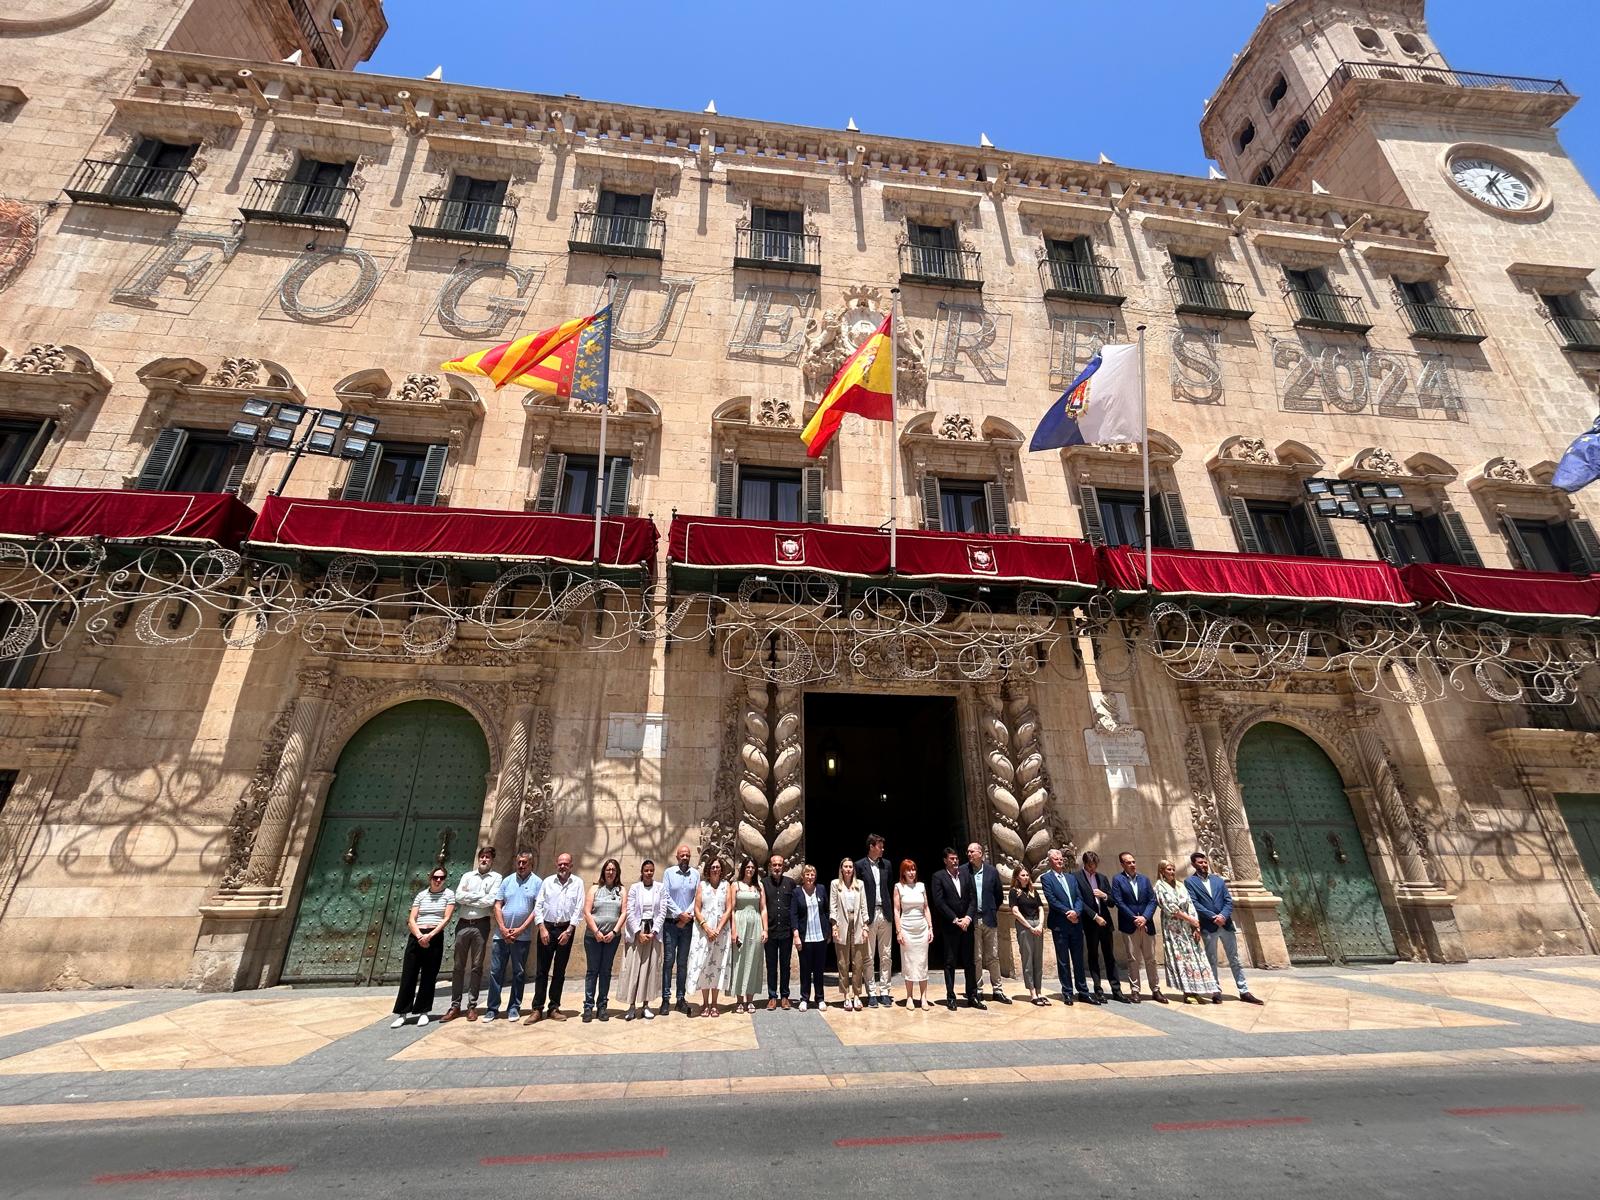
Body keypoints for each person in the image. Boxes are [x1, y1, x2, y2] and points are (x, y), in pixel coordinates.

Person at [1186, 852, 1265, 1005]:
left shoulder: (1218, 880)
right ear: (1193, 864)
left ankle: (1244, 990)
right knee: (1212, 959)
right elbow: (1194, 903)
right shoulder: (1190, 882)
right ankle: (1215, 990)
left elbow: (1228, 900)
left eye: (1205, 862)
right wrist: (1213, 917)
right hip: (1209, 926)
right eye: (1200, 862)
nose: (1203, 865)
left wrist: (1222, 915)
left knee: (1234, 959)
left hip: (1226, 924)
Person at [391, 867, 455, 1028]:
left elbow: (446, 918)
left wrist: (430, 935)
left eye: (441, 878)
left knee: (429, 975)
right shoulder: (421, 895)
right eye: (435, 877)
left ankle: (423, 1012)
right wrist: (419, 935)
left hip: (434, 936)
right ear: (430, 878)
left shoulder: (449, 895)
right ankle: (402, 1013)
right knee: (409, 975)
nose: (438, 880)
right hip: (417, 936)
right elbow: (412, 918)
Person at [442, 846, 501, 1023]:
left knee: (476, 966)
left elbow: (490, 901)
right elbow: (459, 896)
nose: (484, 860)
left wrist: (471, 897)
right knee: (458, 965)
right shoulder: (467, 876)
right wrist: (479, 897)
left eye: (487, 857)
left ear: (492, 860)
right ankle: (455, 1005)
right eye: (482, 857)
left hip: (481, 925)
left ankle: (472, 1005)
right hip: (463, 924)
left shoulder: (496, 878)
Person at [526, 851, 584, 1023]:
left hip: (565, 930)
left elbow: (578, 908)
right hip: (547, 928)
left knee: (559, 970)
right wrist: (541, 928)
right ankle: (537, 1008)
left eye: (566, 863)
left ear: (571, 865)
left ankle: (554, 1007)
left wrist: (569, 930)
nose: (562, 866)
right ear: (556, 864)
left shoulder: (578, 883)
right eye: (560, 863)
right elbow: (539, 905)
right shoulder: (548, 882)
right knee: (542, 970)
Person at [484, 851, 540, 1022]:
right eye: (519, 862)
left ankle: (514, 1007)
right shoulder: (507, 880)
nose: (521, 865)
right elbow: (498, 904)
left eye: (524, 863)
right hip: (501, 935)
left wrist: (520, 929)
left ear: (531, 864)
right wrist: (502, 927)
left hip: (521, 937)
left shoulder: (537, 882)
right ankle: (492, 1008)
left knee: (519, 973)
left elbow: (537, 908)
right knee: (495, 972)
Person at [1155, 858, 1218, 1004]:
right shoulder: (1160, 886)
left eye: (1172, 869)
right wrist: (1191, 920)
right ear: (1162, 871)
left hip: (1188, 927)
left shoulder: (1180, 885)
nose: (1171, 872)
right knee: (1181, 960)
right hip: (1174, 929)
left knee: (1195, 959)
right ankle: (1187, 991)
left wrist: (1195, 926)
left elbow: (1190, 904)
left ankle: (1196, 990)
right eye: (1168, 869)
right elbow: (1171, 908)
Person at [929, 847, 983, 1011]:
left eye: (956, 858)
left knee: (970, 962)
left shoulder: (967, 875)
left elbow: (973, 898)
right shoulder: (938, 877)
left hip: (967, 925)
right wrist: (954, 919)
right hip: (951, 926)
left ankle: (972, 995)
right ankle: (951, 996)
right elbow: (939, 901)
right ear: (945, 860)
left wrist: (967, 918)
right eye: (951, 859)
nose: (955, 861)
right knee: (950, 962)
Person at [1110, 851, 1167, 1004]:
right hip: (1130, 925)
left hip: (1146, 924)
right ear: (1122, 864)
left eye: (1133, 862)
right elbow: (1119, 901)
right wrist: (1134, 918)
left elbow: (1152, 900)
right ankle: (1135, 990)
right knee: (1133, 959)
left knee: (1151, 959)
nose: (1132, 865)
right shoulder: (1118, 880)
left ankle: (1155, 989)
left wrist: (1145, 917)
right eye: (1128, 862)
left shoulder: (1144, 880)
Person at [1039, 848, 1090, 1005]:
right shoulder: (1046, 878)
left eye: (1061, 858)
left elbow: (1079, 898)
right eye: (1056, 859)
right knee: (1063, 961)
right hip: (1060, 924)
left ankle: (1083, 991)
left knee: (1078, 959)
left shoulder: (1071, 878)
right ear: (1050, 861)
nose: (1060, 861)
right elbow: (1051, 899)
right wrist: (1068, 912)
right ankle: (1067, 991)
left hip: (1076, 924)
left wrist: (1076, 911)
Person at [621, 860, 667, 1020]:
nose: (649, 873)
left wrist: (654, 932)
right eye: (646, 870)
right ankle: (632, 1005)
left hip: (653, 931)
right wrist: (638, 932)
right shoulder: (635, 888)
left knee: (649, 969)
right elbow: (630, 910)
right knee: (635, 968)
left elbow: (662, 911)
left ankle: (646, 1004)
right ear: (642, 871)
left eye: (651, 870)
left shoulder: (660, 888)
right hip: (637, 932)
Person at [964, 842, 1010, 1004]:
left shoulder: (991, 871)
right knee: (976, 956)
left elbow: (998, 895)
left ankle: (997, 989)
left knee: (993, 956)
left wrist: (990, 909)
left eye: (972, 851)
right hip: (973, 919)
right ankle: (978, 989)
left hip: (989, 918)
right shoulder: (964, 871)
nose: (969, 854)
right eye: (968, 852)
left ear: (980, 853)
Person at [687, 857, 733, 1017]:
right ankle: (705, 1003)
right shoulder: (702, 885)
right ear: (708, 869)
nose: (715, 869)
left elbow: (729, 908)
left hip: (721, 932)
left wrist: (718, 929)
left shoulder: (726, 886)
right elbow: (697, 909)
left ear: (721, 870)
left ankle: (714, 1003)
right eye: (713, 867)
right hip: (703, 933)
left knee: (718, 965)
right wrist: (706, 927)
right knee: (704, 964)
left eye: (718, 867)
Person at [1075, 851, 1122, 1003]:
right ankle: (1098, 989)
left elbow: (1112, 902)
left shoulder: (1101, 878)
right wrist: (1095, 917)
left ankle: (1116, 990)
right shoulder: (1076, 878)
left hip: (1105, 923)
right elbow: (1079, 901)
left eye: (1094, 866)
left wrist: (1104, 895)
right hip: (1091, 923)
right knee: (1093, 956)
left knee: (1110, 957)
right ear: (1085, 864)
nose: (1092, 869)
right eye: (1090, 866)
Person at [581, 858, 624, 1022]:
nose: (611, 872)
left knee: (606, 972)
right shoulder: (594, 889)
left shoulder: (621, 890)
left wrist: (614, 931)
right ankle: (588, 1007)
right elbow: (587, 912)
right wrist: (597, 931)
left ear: (617, 872)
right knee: (592, 971)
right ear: (603, 871)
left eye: (613, 869)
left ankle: (602, 1006)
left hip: (612, 938)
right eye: (608, 869)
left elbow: (624, 912)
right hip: (593, 938)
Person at [855, 834, 895, 1008]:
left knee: (886, 954)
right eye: (880, 846)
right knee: (868, 956)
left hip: (884, 913)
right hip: (869, 915)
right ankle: (871, 991)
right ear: (871, 846)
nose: (882, 849)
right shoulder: (859, 866)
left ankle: (885, 990)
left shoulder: (887, 865)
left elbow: (889, 886)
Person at [661, 844, 701, 1016]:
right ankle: (665, 999)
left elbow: (697, 898)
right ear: (677, 857)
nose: (685, 858)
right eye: (682, 855)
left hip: (687, 926)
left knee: (683, 963)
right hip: (671, 924)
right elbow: (665, 896)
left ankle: (680, 999)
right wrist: (679, 914)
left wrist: (687, 916)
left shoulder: (695, 874)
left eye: (687, 855)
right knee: (669, 961)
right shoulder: (669, 873)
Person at [726, 858, 767, 1013]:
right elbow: (732, 909)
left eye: (753, 867)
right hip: (740, 922)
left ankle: (750, 999)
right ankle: (739, 999)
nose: (750, 869)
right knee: (740, 959)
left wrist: (765, 929)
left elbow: (763, 908)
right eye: (748, 867)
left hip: (756, 924)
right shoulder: (735, 885)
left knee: (753, 959)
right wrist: (734, 930)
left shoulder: (759, 886)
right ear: (743, 869)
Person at [790, 863, 831, 1010]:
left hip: (820, 936)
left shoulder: (820, 889)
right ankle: (804, 998)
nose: (810, 877)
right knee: (805, 970)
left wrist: (828, 931)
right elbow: (793, 914)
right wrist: (796, 934)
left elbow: (826, 911)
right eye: (807, 874)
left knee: (819, 970)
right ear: (803, 876)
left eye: (812, 874)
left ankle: (820, 998)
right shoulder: (797, 892)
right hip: (804, 936)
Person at [893, 859, 933, 1009]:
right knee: (908, 962)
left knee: (922, 961)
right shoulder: (898, 887)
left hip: (921, 927)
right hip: (906, 928)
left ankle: (924, 997)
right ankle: (909, 996)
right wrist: (898, 931)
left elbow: (926, 907)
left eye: (913, 869)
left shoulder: (921, 886)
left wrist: (930, 927)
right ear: (903, 872)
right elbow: (897, 910)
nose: (911, 872)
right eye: (908, 870)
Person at [830, 857, 868, 1011]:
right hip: (842, 923)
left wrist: (865, 926)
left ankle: (857, 995)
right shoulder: (835, 884)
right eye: (845, 867)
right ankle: (846, 995)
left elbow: (864, 905)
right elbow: (833, 906)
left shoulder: (860, 885)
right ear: (841, 869)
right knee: (843, 962)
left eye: (850, 867)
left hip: (858, 923)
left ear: (853, 869)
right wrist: (834, 925)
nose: (848, 869)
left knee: (858, 962)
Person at [1008, 865, 1049, 1005]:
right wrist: (1029, 926)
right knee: (1028, 959)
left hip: (1037, 924)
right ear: (1017, 877)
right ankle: (1032, 993)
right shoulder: (1014, 892)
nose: (1026, 877)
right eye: (1023, 875)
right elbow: (1015, 911)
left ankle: (1039, 991)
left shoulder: (1033, 891)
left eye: (1027, 875)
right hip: (1024, 926)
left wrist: (1040, 925)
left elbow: (1040, 908)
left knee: (1038, 959)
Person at [761, 853, 796, 1010]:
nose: (777, 867)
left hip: (786, 931)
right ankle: (772, 996)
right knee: (771, 965)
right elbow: (761, 908)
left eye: (779, 865)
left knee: (785, 965)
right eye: (774, 865)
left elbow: (794, 907)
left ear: (784, 866)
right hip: (770, 930)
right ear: (770, 866)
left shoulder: (791, 883)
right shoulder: (763, 883)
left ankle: (785, 996)